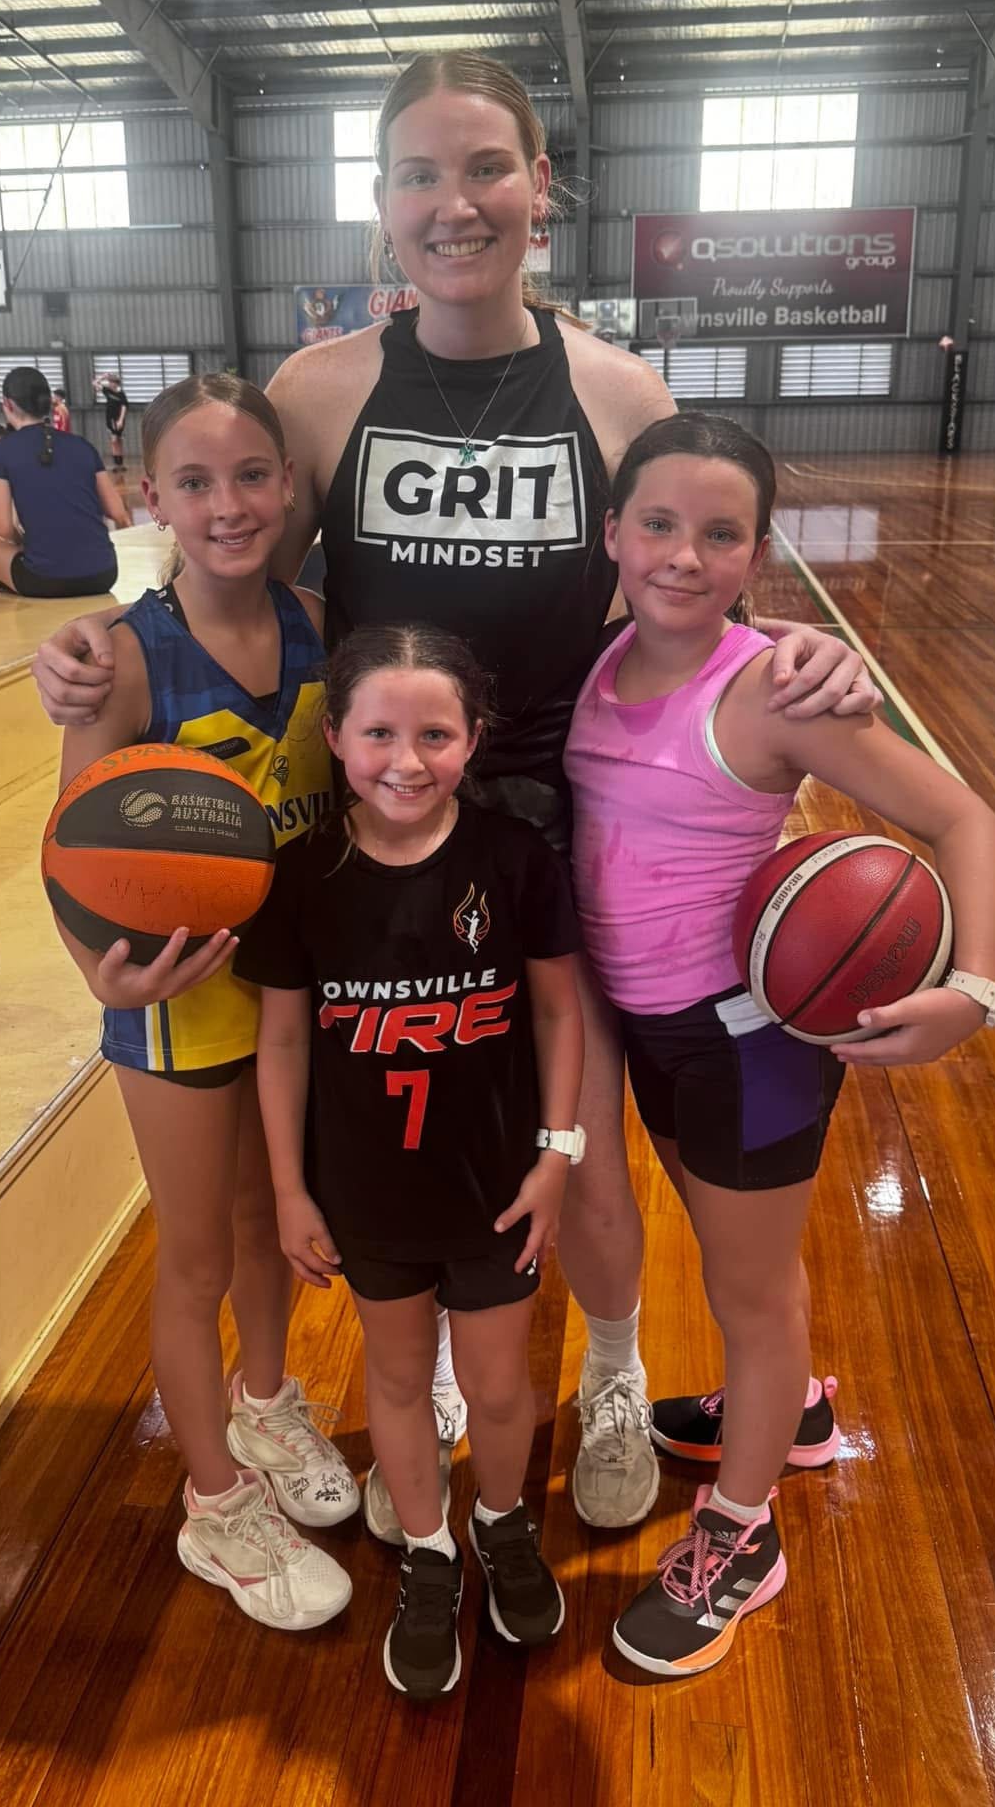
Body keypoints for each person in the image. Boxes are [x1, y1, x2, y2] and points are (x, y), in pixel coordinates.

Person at [24, 51, 877, 1532]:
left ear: (541, 189)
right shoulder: (324, 386)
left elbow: (685, 578)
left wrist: (794, 659)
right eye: (419, 173)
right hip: (380, 827)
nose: (455, 202)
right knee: (384, 1116)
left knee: (583, 1142)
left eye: (486, 169)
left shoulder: (614, 387)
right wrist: (101, 650)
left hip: (562, 827)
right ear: (380, 204)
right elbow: (237, 576)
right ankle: (410, 1370)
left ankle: (611, 1366)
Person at [563, 413, 995, 1677]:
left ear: (757, 554)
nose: (683, 555)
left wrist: (976, 987)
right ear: (613, 533)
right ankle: (793, 1411)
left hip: (742, 1041)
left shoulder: (772, 688)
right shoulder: (594, 666)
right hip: (635, 1024)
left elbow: (967, 816)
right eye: (658, 523)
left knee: (750, 1292)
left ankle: (742, 1535)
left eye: (720, 534)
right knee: (720, 1271)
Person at [52, 372, 356, 1632]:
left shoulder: (324, 619)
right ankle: (217, 1508)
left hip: (288, 990)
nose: (227, 504)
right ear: (154, 496)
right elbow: (70, 840)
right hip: (177, 1002)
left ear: (290, 486)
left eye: (250, 476)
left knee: (259, 1219)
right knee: (188, 1260)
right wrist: (99, 973)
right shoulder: (123, 655)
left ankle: (269, 1399)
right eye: (195, 481)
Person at [237, 625, 584, 1699]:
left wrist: (559, 1154)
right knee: (395, 1375)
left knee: (494, 1382)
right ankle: (430, 1552)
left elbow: (562, 1011)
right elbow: (285, 1037)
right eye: (378, 731)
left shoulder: (515, 859)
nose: (405, 757)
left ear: (473, 739)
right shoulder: (302, 875)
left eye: (434, 732)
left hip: (495, 1187)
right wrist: (291, 1187)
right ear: (334, 736)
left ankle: (501, 1521)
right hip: (368, 1194)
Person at [0, 365, 128, 597]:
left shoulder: (1, 452)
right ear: (48, 402)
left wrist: (22, 545)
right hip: (104, 575)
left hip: (43, 580)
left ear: (8, 405)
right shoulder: (83, 446)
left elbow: (3, 527)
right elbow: (117, 511)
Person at [94, 372, 129, 469]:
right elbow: (95, 384)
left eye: (112, 382)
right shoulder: (107, 391)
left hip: (118, 419)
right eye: (109, 382)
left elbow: (124, 407)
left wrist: (121, 420)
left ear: (116, 383)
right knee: (113, 440)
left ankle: (121, 463)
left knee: (119, 440)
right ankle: (116, 464)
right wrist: (102, 377)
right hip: (110, 418)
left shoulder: (121, 394)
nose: (110, 384)